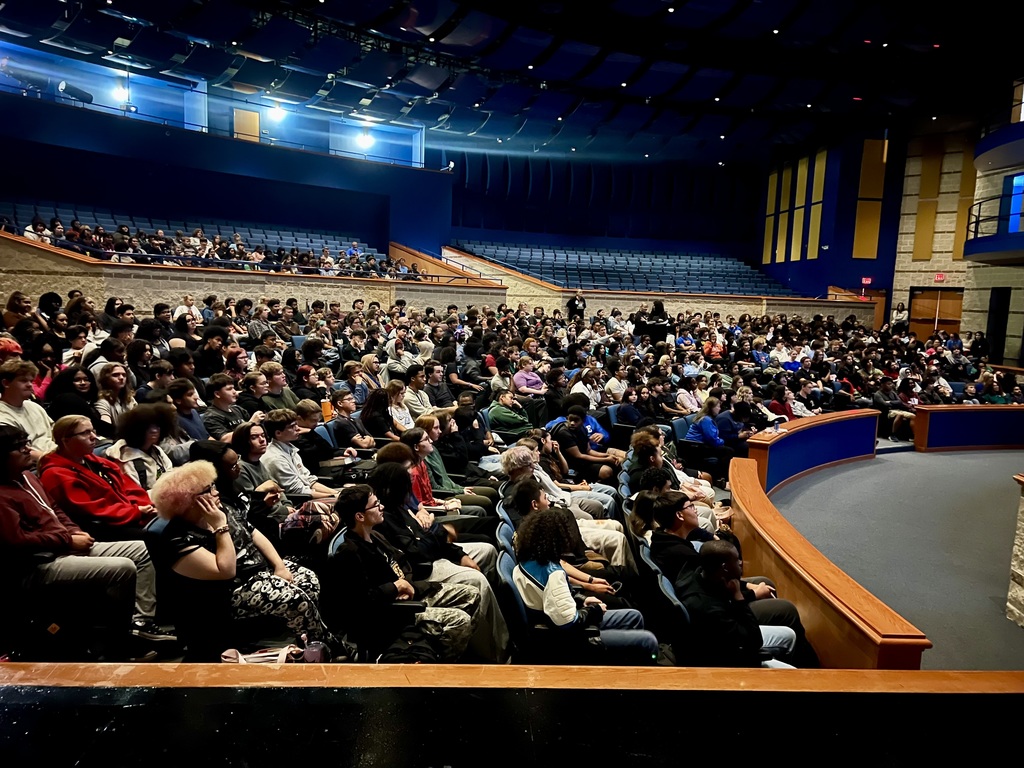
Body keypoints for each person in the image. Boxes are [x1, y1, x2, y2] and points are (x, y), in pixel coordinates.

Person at [0, 424, 171, 658]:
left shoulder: (28, 477)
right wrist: (66, 539)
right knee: (122, 567)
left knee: (140, 550)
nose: (28, 450)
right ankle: (118, 641)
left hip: (64, 545)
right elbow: (17, 541)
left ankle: (140, 624)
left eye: (26, 444)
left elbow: (55, 510)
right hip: (37, 564)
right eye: (19, 448)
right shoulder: (3, 494)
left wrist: (73, 532)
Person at [150, 460, 332, 658]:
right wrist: (220, 527)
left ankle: (307, 644)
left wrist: (279, 566)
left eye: (213, 485)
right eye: (207, 490)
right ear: (188, 500)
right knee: (295, 599)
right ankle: (326, 647)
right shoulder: (177, 538)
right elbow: (226, 571)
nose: (216, 492)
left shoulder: (223, 508)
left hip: (259, 571)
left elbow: (254, 534)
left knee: (309, 580)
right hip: (228, 592)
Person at [368, 462, 508, 661]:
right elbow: (417, 551)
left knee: (488, 551)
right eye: (407, 484)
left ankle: (495, 626)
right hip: (424, 569)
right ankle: (495, 650)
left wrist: (458, 554)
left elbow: (428, 536)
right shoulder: (384, 519)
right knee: (476, 580)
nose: (410, 490)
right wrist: (436, 535)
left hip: (434, 554)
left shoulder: (398, 507)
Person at [322, 484, 480, 661]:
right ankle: (437, 667)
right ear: (359, 516)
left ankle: (430, 648)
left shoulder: (375, 536)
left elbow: (403, 561)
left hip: (408, 594)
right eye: (375, 505)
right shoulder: (349, 554)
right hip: (390, 615)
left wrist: (405, 583)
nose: (382, 507)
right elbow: (361, 602)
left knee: (471, 594)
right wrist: (396, 587)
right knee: (460, 621)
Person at [512, 507, 658, 665]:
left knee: (634, 616)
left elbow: (553, 599)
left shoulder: (526, 561)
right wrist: (593, 610)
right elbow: (568, 623)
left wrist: (583, 600)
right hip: (570, 639)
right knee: (648, 641)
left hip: (556, 621)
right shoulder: (552, 573)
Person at [674, 540, 797, 668]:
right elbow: (755, 640)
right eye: (737, 560)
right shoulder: (709, 609)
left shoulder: (699, 571)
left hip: (726, 637)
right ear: (725, 567)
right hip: (727, 659)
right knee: (795, 674)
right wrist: (738, 596)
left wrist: (745, 586)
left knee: (789, 635)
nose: (740, 563)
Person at [37, 415, 156, 540]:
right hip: (98, 528)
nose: (94, 437)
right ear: (66, 440)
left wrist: (143, 506)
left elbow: (128, 487)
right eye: (85, 433)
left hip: (127, 515)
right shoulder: (56, 475)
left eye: (93, 431)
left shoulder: (96, 462)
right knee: (155, 537)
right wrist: (135, 512)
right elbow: (92, 511)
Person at [261, 408, 338, 500]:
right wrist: (333, 497)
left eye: (296, 424)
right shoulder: (275, 459)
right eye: (292, 426)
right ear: (278, 433)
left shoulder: (290, 449)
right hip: (297, 501)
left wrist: (337, 493)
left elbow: (309, 480)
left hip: (308, 494)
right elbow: (298, 491)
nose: (297, 429)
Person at [104, 403, 175, 491]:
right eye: (148, 427)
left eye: (157, 426)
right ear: (137, 429)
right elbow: (136, 494)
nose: (154, 430)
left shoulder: (157, 451)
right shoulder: (126, 461)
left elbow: (171, 475)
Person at [0, 360, 56, 458]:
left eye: (31, 381)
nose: (30, 385)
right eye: (23, 380)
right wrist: (55, 459)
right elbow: (22, 453)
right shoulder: (2, 416)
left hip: (57, 453)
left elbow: (56, 433)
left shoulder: (34, 406)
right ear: (6, 383)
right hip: (38, 464)